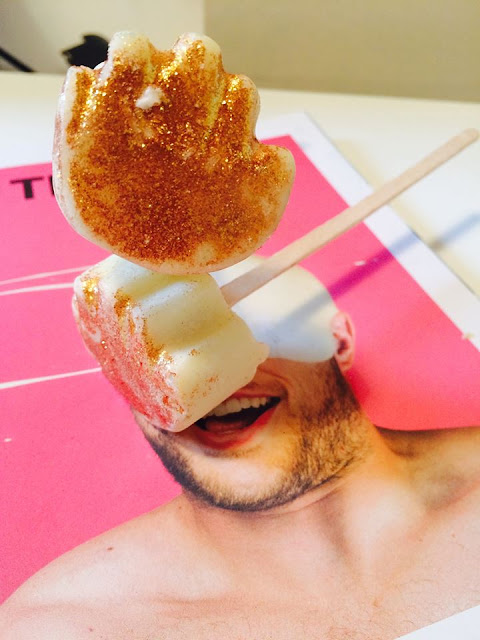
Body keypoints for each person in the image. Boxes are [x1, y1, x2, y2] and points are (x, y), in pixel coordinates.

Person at [1, 260, 479, 640]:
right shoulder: (62, 626)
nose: (210, 386)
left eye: (243, 330)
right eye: (155, 357)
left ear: (338, 341)